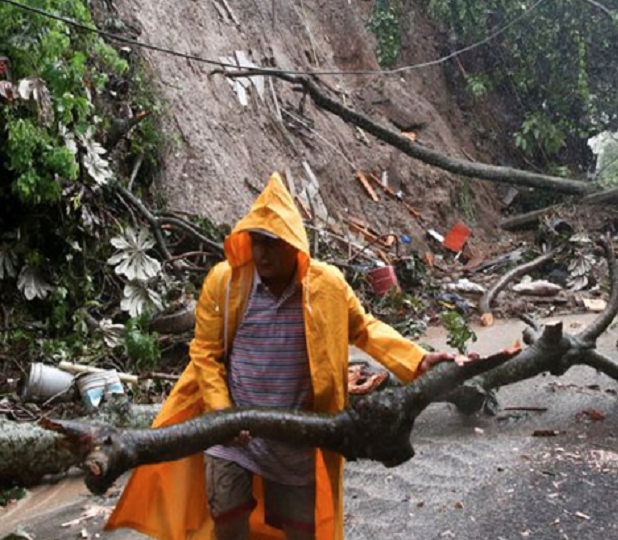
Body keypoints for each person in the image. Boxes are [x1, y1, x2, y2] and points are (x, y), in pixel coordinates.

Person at [106, 173, 463, 540]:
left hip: (299, 433)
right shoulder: (226, 282)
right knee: (226, 519)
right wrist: (222, 412)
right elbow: (205, 353)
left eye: (272, 243)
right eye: (256, 242)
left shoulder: (327, 286)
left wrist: (418, 360)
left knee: (302, 531)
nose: (262, 253)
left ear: (294, 244)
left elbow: (366, 329)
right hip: (233, 431)